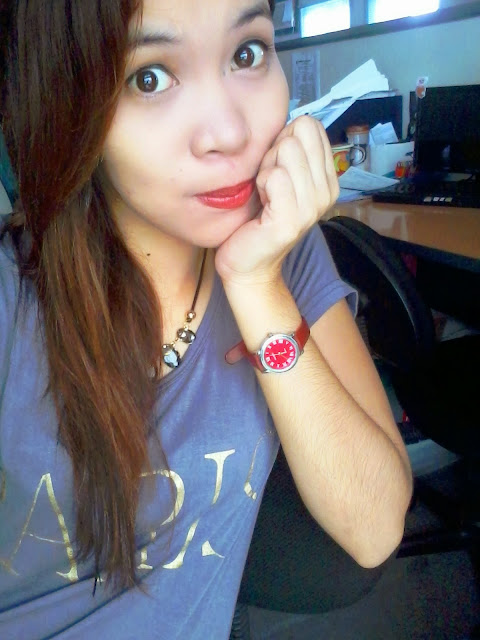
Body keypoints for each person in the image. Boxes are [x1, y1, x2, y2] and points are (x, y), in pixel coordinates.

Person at [0, 1, 413, 638]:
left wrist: (257, 284)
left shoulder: (282, 245)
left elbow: (375, 527)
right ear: (71, 101)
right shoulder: (13, 296)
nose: (230, 132)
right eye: (149, 77)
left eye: (247, 54)